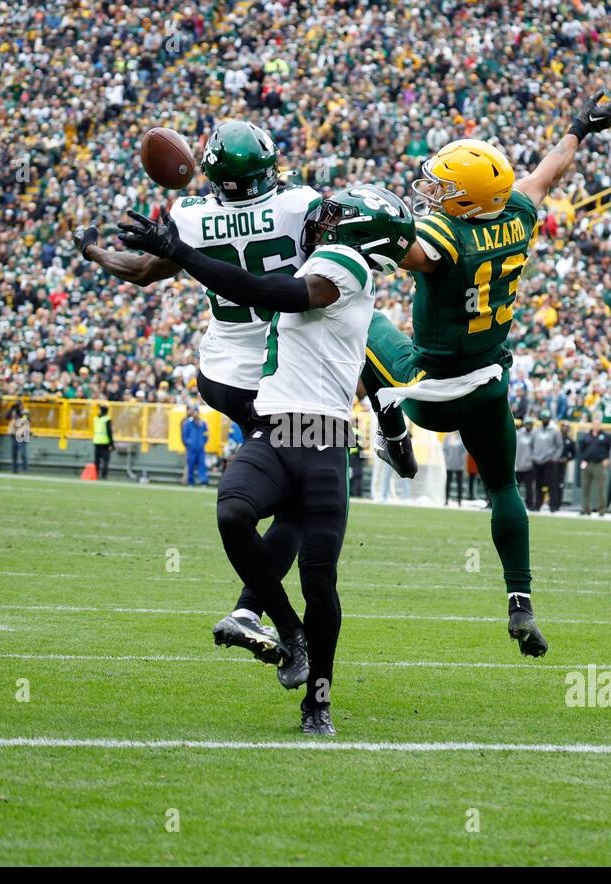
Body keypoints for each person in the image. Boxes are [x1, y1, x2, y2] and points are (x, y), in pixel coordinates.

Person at [117, 182, 414, 734]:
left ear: (357, 231)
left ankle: (318, 702)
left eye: (338, 213)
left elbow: (265, 290)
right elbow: (248, 267)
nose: (324, 215)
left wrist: (180, 252)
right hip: (275, 427)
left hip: (321, 438)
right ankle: (287, 629)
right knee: (232, 512)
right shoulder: (324, 255)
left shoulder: (346, 266)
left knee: (320, 582)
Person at [360, 90, 611, 659]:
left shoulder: (446, 235)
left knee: (362, 317)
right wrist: (580, 126)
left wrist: (354, 220)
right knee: (503, 486)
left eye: (446, 189)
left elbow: (405, 250)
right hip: (489, 386)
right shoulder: (518, 213)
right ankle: (520, 599)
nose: (434, 194)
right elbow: (549, 173)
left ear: (469, 201)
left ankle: (394, 434)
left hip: (429, 391)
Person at [75, 120, 320, 654]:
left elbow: (140, 271)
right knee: (305, 501)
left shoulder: (188, 216)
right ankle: (250, 612)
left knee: (286, 487)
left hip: (219, 374)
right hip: (280, 376)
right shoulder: (300, 202)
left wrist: (93, 251)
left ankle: (251, 610)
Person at [577, 421, 611, 515]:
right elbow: (581, 449)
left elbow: (610, 449)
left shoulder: (606, 437)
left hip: (599, 464)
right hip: (587, 464)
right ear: (592, 425)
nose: (596, 426)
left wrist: (607, 459)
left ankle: (602, 510)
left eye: (598, 424)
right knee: (585, 488)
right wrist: (583, 459)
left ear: (601, 425)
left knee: (601, 488)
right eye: (595, 424)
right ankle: (585, 508)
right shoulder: (586, 436)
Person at [531, 415, 561, 511]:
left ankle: (553, 506)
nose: (545, 420)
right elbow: (531, 445)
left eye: (546, 418)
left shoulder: (554, 431)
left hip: (549, 461)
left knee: (551, 485)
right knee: (538, 484)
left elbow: (560, 445)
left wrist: (554, 458)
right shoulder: (536, 431)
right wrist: (533, 456)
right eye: (543, 418)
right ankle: (537, 505)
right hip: (537, 461)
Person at [181, 407, 209, 486]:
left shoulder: (203, 423)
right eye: (194, 412)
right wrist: (189, 443)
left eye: (197, 412)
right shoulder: (188, 423)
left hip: (200, 449)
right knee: (190, 465)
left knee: (202, 464)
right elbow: (184, 435)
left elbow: (206, 435)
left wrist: (203, 443)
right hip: (191, 449)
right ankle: (190, 481)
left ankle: (203, 481)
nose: (195, 414)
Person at [514, 418, 535, 511]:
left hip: (529, 466)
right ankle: (514, 504)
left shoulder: (534, 435)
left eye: (530, 424)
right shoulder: (518, 434)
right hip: (518, 465)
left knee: (529, 487)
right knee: (515, 487)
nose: (528, 426)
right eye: (527, 424)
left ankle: (529, 504)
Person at [442, 431, 466, 506]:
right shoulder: (447, 437)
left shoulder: (461, 437)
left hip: (459, 464)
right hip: (449, 464)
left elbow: (464, 450)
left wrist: (462, 459)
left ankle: (459, 501)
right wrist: (447, 458)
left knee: (460, 483)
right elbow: (444, 449)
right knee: (448, 482)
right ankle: (446, 500)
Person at [91, 404, 114, 480]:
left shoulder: (96, 419)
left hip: (97, 441)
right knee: (105, 460)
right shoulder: (107, 419)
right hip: (105, 442)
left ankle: (96, 474)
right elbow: (109, 432)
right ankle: (104, 475)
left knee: (96, 460)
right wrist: (112, 444)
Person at [8, 400, 31, 474]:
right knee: (14, 452)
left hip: (21, 434)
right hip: (13, 433)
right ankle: (14, 469)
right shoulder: (13, 411)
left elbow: (26, 420)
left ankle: (25, 469)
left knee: (22, 452)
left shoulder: (24, 412)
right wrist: (12, 409)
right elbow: (7, 417)